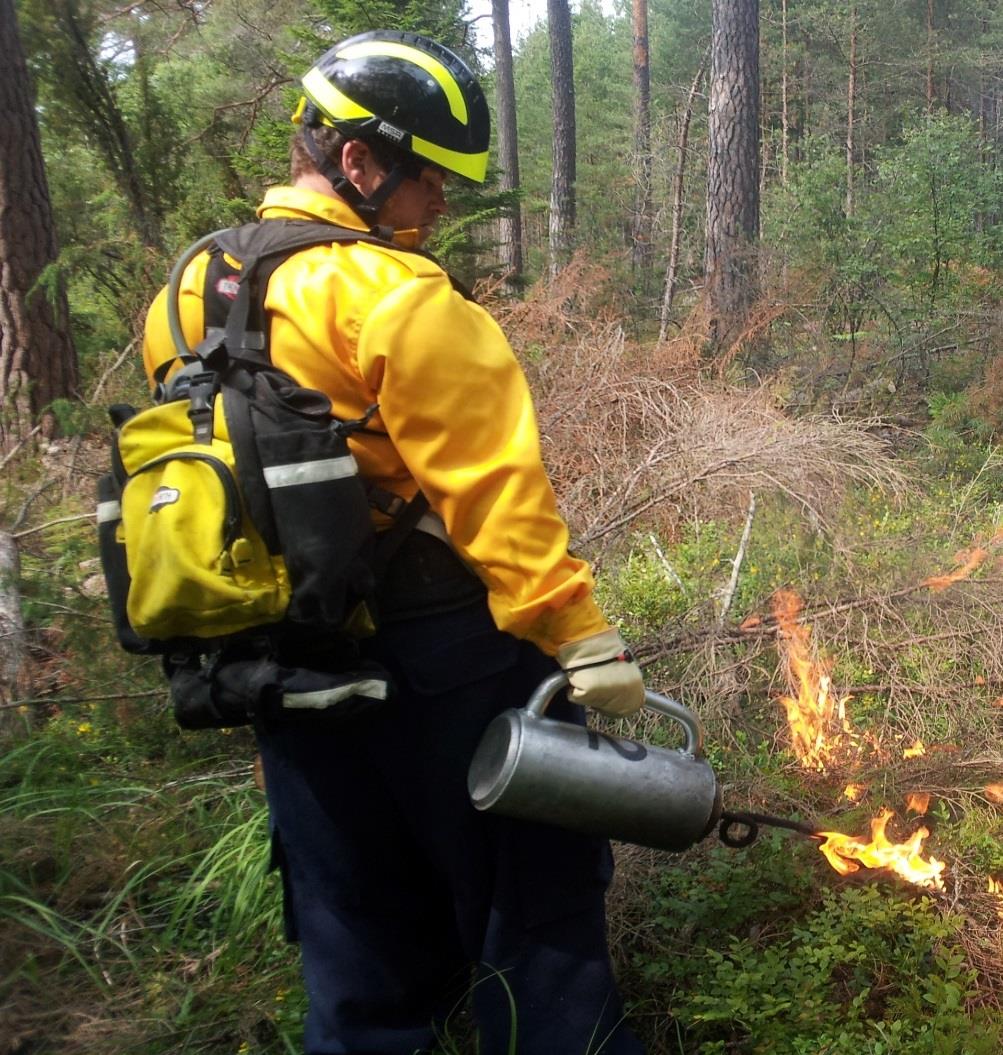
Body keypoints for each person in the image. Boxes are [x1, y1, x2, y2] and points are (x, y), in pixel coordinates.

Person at [142, 30, 647, 1055]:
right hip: (442, 653)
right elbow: (495, 495)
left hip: (281, 660)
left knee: (353, 929)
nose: (441, 205)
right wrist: (582, 640)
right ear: (358, 161)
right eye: (427, 178)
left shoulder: (190, 287)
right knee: (532, 915)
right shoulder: (404, 301)